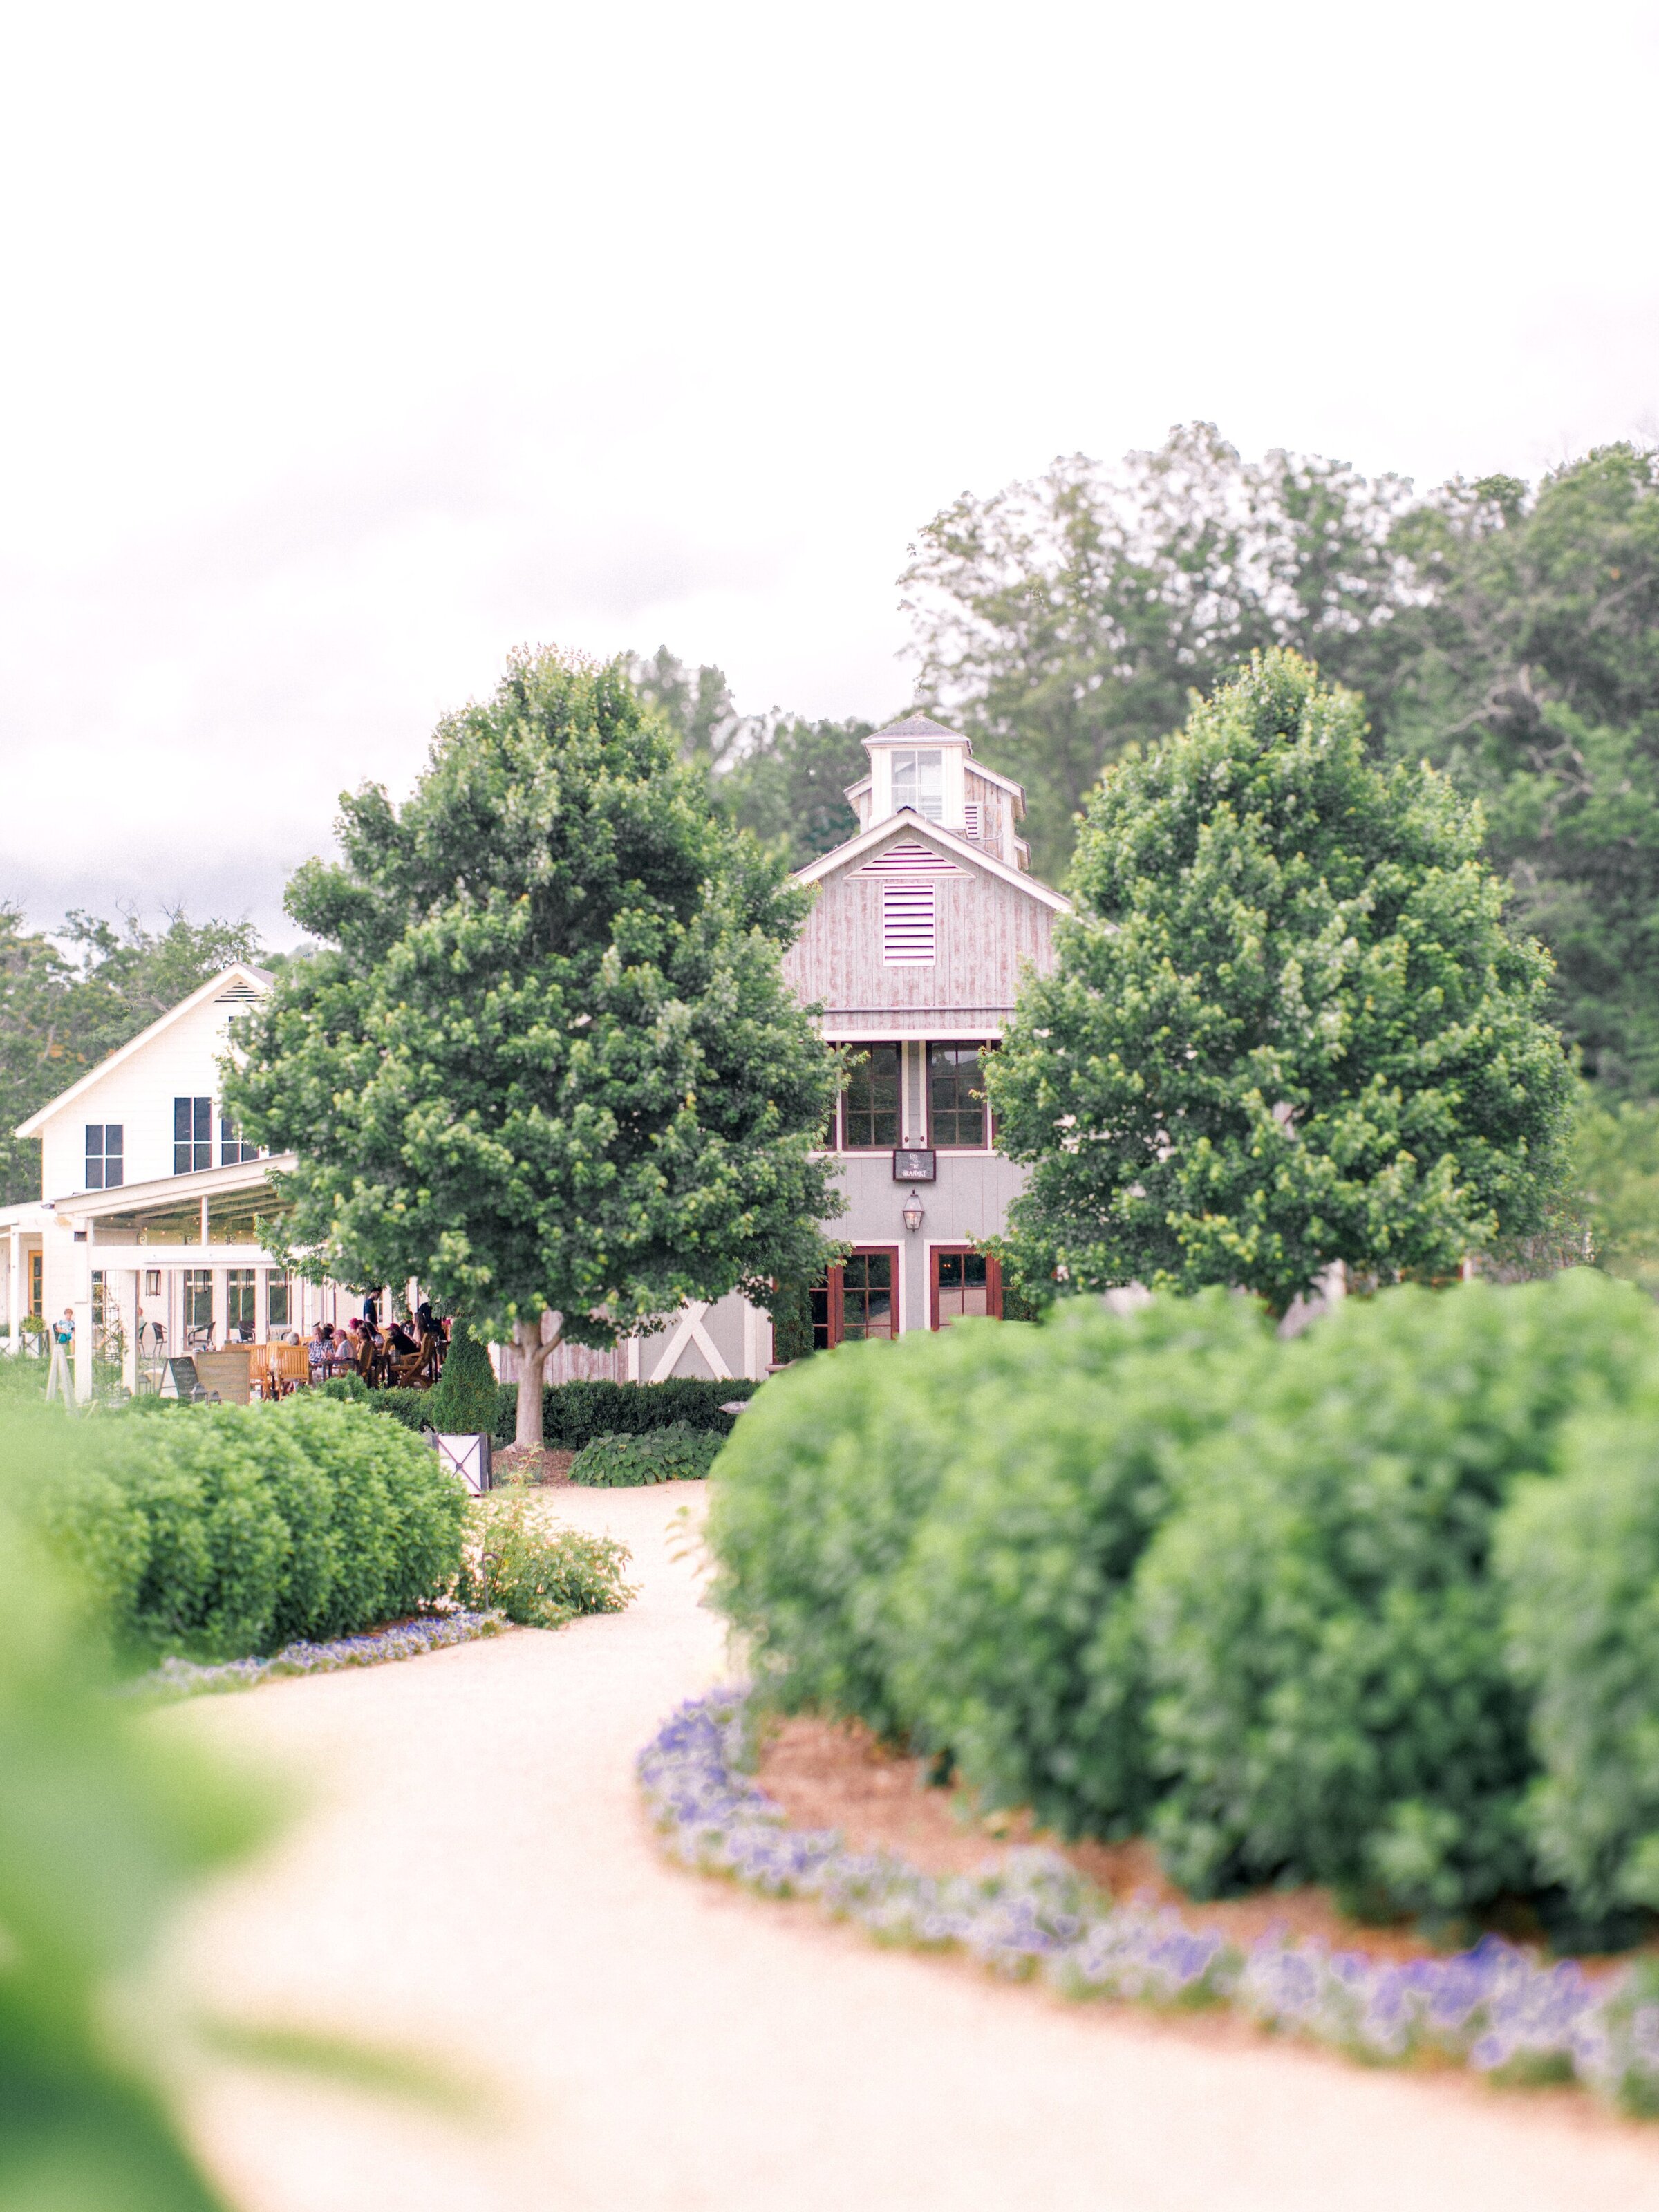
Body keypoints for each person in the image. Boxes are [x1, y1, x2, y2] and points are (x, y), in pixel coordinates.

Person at [45, 1307, 73, 1403]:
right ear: (65, 1315)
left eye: (70, 1314)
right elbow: (58, 1329)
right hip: (64, 1335)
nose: (69, 1316)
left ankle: (72, 1352)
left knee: (73, 1338)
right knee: (71, 1338)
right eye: (68, 1314)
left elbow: (74, 1330)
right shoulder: (61, 1321)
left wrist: (72, 1332)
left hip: (70, 1335)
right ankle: (70, 1351)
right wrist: (66, 1332)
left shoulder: (72, 1323)